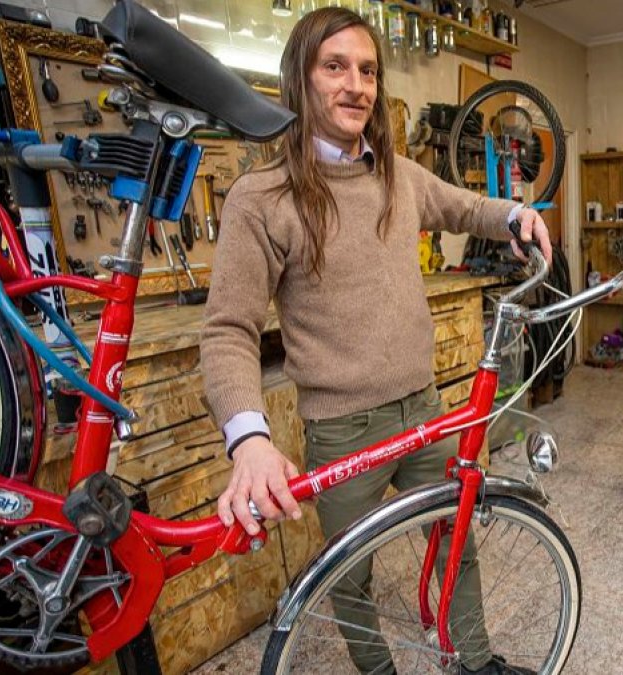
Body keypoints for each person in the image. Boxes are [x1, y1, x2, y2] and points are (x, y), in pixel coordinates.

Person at [199, 7, 552, 674]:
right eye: (335, 67)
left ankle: (476, 664)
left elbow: (466, 207)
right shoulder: (262, 198)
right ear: (299, 81)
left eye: (367, 70)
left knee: (455, 540)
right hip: (342, 428)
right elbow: (227, 329)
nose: (356, 84)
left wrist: (514, 212)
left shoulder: (398, 173)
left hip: (420, 409)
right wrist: (248, 439)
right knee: (349, 577)